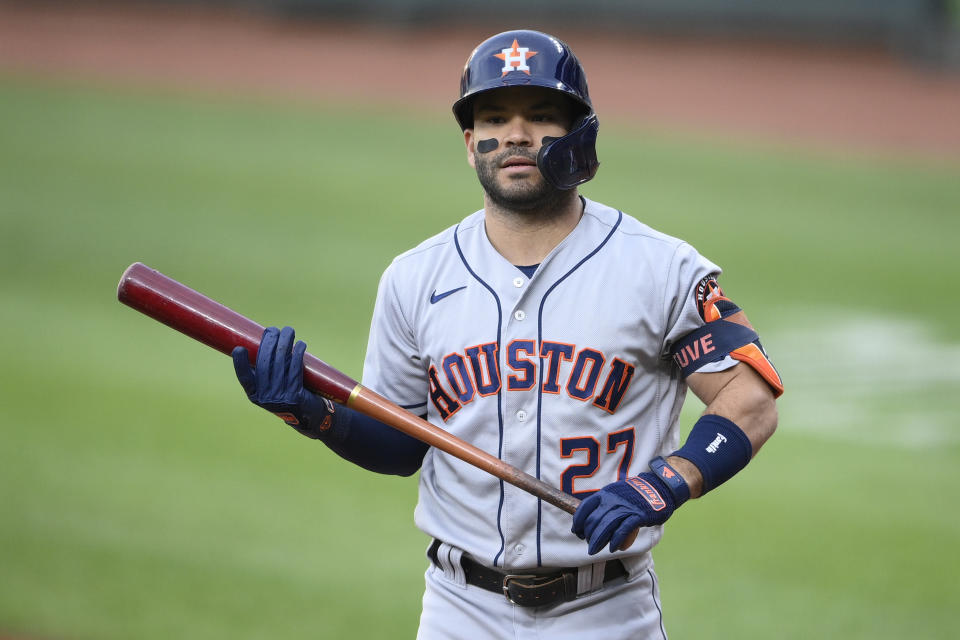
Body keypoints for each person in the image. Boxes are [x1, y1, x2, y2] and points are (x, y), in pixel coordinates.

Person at [231, 29, 782, 639]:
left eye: (542, 116)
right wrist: (311, 413)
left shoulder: (661, 269)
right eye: (495, 117)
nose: (516, 134)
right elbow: (401, 446)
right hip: (459, 610)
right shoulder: (416, 278)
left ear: (580, 135)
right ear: (471, 145)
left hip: (607, 611)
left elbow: (750, 401)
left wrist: (668, 482)